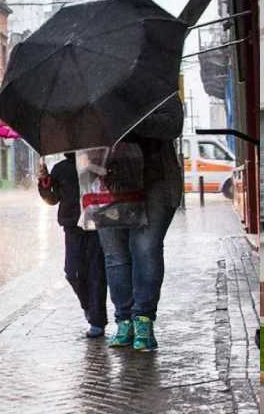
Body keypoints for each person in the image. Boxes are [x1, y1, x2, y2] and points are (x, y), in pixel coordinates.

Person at [98, 95, 183, 352]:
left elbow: (172, 125)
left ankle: (143, 320)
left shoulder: (157, 85)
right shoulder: (90, 91)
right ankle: (124, 320)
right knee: (116, 256)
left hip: (154, 182)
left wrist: (129, 119)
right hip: (107, 183)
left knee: (145, 249)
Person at [39, 153, 108, 338]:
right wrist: (44, 181)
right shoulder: (62, 168)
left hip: (96, 225)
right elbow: (51, 199)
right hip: (72, 226)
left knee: (97, 273)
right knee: (72, 272)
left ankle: (97, 320)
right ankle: (88, 306)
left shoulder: (97, 163)